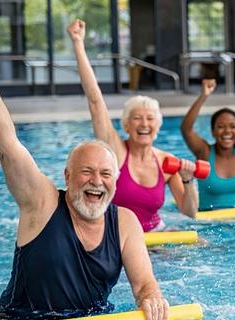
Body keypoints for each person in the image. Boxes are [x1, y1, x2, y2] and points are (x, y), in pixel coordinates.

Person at [0, 27, 169, 320]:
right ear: (67, 176)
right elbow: (7, 145)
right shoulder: (42, 203)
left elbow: (144, 284)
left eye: (106, 174)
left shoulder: (124, 222)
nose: (97, 180)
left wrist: (151, 299)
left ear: (115, 180)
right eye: (87, 171)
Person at [68, 19, 198, 232]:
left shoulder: (167, 162)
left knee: (203, 248)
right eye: (137, 118)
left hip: (156, 234)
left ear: (158, 126)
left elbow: (190, 212)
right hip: (120, 236)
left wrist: (188, 181)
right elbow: (95, 101)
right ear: (126, 126)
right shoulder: (117, 152)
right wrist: (78, 43)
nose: (144, 124)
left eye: (150, 119)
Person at [179, 76, 235, 211]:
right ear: (213, 132)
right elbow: (186, 129)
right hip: (209, 222)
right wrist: (203, 95)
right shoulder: (204, 152)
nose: (227, 131)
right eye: (221, 127)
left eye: (233, 126)